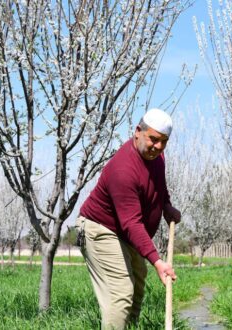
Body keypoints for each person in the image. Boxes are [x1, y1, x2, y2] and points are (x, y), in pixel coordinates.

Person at [76, 108, 181, 329]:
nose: (158, 146)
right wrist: (158, 262)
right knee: (120, 292)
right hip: (100, 229)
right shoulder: (123, 169)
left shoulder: (156, 156)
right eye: (153, 139)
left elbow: (158, 184)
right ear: (138, 132)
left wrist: (166, 205)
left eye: (164, 141)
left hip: (124, 233)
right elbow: (131, 222)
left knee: (138, 282)